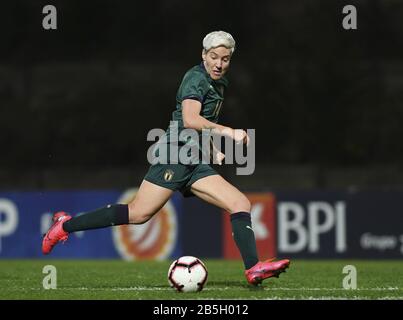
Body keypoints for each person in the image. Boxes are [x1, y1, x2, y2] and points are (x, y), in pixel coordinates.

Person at [42, 31, 290, 285]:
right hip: (176, 154)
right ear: (203, 55)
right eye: (214, 57)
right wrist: (228, 132)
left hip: (194, 160)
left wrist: (213, 146)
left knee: (240, 203)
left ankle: (253, 269)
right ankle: (64, 226)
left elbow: (204, 120)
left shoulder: (219, 83)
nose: (219, 63)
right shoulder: (195, 78)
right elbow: (191, 119)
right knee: (138, 213)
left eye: (225, 59)